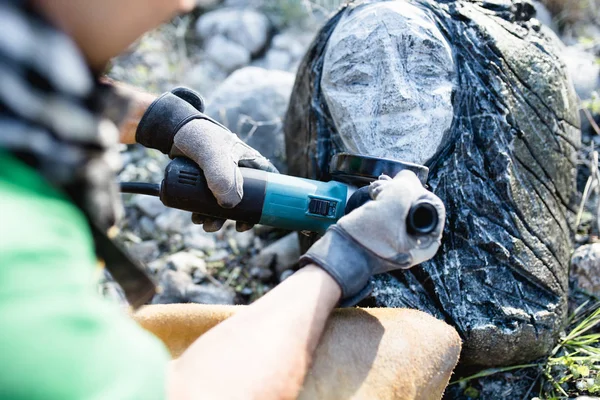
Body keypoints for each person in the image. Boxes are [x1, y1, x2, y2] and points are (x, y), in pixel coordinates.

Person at [0, 1, 445, 399]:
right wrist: (342, 262)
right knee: (415, 344)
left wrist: (164, 120)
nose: (186, 4)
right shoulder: (20, 248)